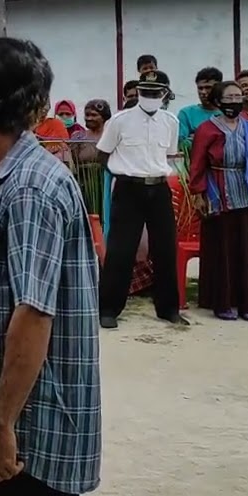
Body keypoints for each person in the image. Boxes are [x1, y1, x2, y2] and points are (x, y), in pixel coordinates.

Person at [0, 37, 101, 496]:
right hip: (21, 427)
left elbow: (33, 316)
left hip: (31, 436)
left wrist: (0, 424)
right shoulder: (7, 179)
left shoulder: (30, 190)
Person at [97, 70, 188, 329]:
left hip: (159, 188)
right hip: (129, 188)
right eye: (145, 91)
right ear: (138, 92)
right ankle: (109, 309)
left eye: (155, 92)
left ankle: (168, 309)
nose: (150, 96)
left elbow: (169, 156)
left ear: (165, 94)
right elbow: (103, 153)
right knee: (120, 250)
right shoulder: (120, 120)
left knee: (165, 248)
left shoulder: (171, 121)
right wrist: (122, 172)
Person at [189, 81, 248, 321]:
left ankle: (246, 303)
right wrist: (198, 193)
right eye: (229, 97)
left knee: (246, 250)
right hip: (218, 193)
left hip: (245, 194)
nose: (235, 101)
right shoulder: (207, 129)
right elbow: (197, 164)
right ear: (218, 101)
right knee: (222, 250)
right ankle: (221, 302)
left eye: (238, 97)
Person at [177, 67, 223, 145]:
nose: (203, 92)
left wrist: (198, 138)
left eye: (208, 87)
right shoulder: (187, 114)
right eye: (200, 88)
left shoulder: (228, 113)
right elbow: (181, 143)